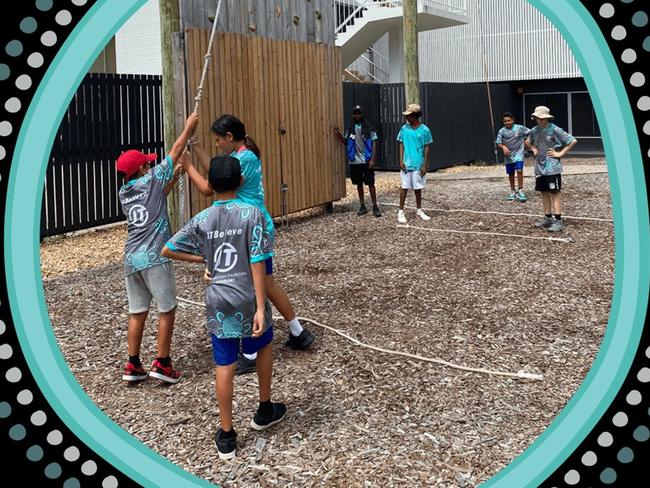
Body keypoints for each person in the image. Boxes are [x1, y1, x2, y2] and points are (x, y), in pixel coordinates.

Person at [162, 155, 286, 460]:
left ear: (212, 185)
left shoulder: (203, 219)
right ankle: (264, 408)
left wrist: (205, 260)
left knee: (225, 363)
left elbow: (168, 248)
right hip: (248, 296)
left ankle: (227, 434)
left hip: (218, 300)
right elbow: (258, 260)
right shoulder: (252, 214)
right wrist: (260, 306)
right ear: (240, 181)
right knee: (264, 345)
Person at [183, 115, 316, 374]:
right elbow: (217, 173)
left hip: (250, 228)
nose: (219, 144)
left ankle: (253, 350)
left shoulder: (244, 159)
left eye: (219, 140)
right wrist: (196, 145)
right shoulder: (244, 155)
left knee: (259, 285)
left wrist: (188, 166)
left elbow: (211, 187)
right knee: (263, 283)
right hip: (248, 226)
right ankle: (296, 332)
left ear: (230, 137)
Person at [116, 113, 199, 384]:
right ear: (142, 170)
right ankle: (162, 363)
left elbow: (155, 197)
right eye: (145, 165)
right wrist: (188, 127)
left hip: (131, 259)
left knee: (137, 311)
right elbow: (176, 151)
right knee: (167, 309)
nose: (148, 167)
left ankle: (133, 364)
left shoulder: (125, 192)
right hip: (154, 256)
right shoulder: (151, 179)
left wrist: (173, 179)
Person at [526, 106, 577, 232]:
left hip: (552, 167)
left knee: (555, 193)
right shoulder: (534, 130)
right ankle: (547, 218)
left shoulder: (555, 129)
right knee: (544, 192)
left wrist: (560, 153)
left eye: (542, 118)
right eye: (538, 118)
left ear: (547, 118)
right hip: (539, 166)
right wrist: (532, 148)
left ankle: (558, 220)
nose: (540, 120)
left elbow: (572, 141)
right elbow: (527, 142)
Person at [334, 105, 382, 217]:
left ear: (362, 114)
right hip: (354, 161)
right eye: (355, 113)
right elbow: (346, 141)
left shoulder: (369, 127)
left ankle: (375, 206)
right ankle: (362, 206)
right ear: (353, 114)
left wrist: (373, 159)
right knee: (358, 183)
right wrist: (338, 134)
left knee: (371, 183)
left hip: (366, 160)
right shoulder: (350, 128)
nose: (357, 115)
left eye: (358, 113)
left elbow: (375, 141)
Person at [396, 104, 433, 223]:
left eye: (409, 115)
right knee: (404, 187)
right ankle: (400, 212)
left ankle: (419, 210)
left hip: (418, 163)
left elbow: (427, 147)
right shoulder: (404, 129)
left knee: (418, 188)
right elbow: (401, 143)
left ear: (415, 116)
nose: (406, 117)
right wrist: (401, 160)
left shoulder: (425, 130)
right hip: (406, 163)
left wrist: (425, 165)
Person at [496, 112, 530, 202]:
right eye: (505, 121)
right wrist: (503, 147)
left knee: (519, 171)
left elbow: (530, 133)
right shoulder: (502, 131)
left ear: (513, 120)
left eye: (509, 120)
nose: (507, 122)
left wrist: (527, 141)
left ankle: (521, 190)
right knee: (511, 174)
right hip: (508, 156)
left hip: (519, 154)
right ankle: (512, 191)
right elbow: (498, 142)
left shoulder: (520, 128)